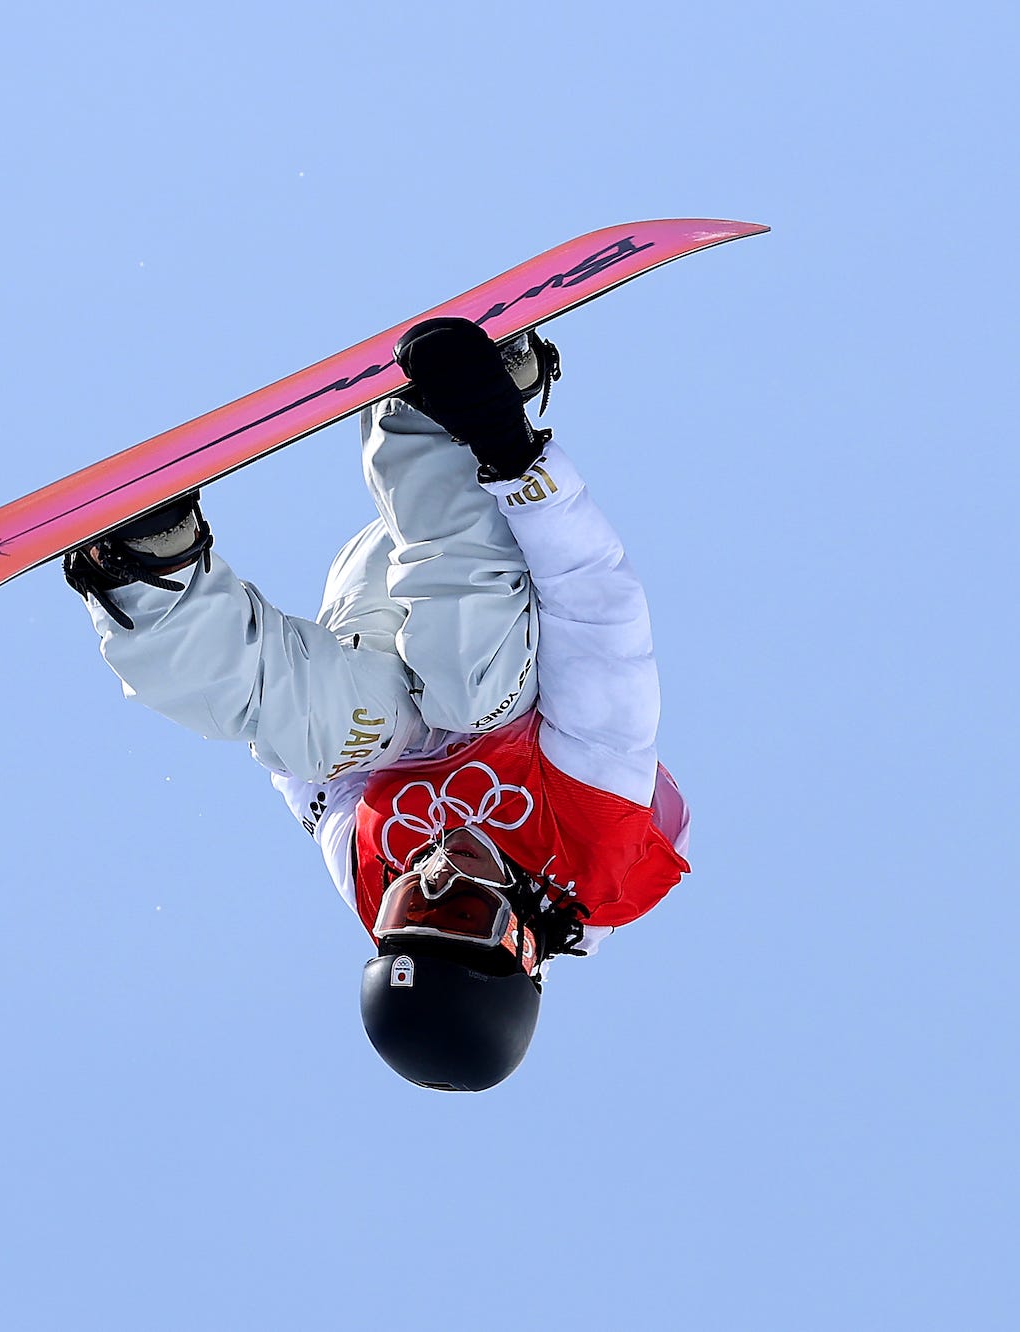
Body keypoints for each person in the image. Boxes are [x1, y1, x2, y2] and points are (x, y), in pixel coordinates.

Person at [63, 317, 692, 1091]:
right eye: (465, 917)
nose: (435, 880)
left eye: (410, 911)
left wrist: (266, 690)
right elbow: (599, 617)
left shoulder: (368, 872)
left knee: (315, 740)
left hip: (378, 644)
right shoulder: (594, 839)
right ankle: (438, 422)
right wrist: (513, 455)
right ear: (523, 946)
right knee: (474, 693)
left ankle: (145, 571)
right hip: (493, 594)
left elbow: (298, 755)